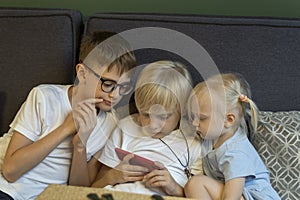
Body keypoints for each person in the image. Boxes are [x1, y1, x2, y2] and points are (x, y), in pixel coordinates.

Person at [0, 31, 136, 200]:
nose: (115, 95)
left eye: (124, 87)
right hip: (8, 191)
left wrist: (80, 145)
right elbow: (10, 171)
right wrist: (65, 128)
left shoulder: (111, 124)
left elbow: (79, 191)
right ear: (82, 73)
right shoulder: (44, 97)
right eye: (108, 84)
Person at [92, 61, 203, 197]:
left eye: (163, 117)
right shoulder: (125, 128)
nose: (153, 125)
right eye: (145, 114)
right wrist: (113, 176)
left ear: (183, 110)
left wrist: (173, 188)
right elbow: (94, 188)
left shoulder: (194, 141)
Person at [184, 73, 280, 200]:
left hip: (254, 196)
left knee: (196, 184)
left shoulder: (236, 152)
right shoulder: (216, 136)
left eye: (202, 118)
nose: (194, 123)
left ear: (228, 120)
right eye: (193, 116)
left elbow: (232, 197)